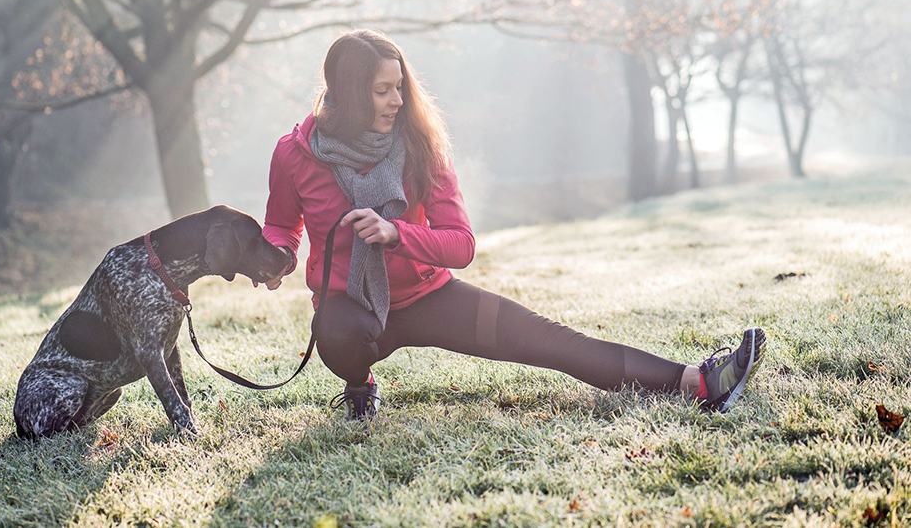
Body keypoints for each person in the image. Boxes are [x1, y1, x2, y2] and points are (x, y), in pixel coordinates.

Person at [257, 29, 765, 420]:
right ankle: (359, 384)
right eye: (382, 90)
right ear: (347, 92)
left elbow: (460, 246)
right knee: (338, 332)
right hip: (353, 310)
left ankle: (698, 383)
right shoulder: (296, 153)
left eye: (400, 88)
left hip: (429, 299)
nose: (397, 101)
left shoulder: (420, 147)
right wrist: (276, 257)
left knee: (554, 343)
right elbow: (283, 226)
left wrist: (397, 234)